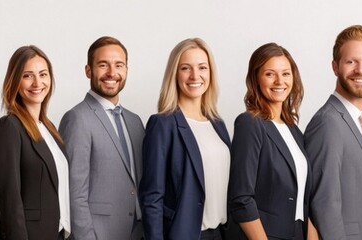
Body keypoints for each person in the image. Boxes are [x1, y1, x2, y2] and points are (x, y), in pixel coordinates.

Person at [140, 38, 232, 240]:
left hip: (222, 233)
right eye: (185, 68)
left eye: (202, 68)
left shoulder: (218, 124)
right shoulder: (162, 124)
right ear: (174, 74)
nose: (195, 76)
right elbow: (152, 197)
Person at [305, 25, 362, 239]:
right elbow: (324, 204)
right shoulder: (327, 123)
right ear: (335, 67)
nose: (361, 70)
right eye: (351, 61)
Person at [58, 36, 145, 240]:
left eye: (119, 65)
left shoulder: (135, 122)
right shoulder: (77, 118)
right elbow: (74, 193)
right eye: (103, 65)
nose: (112, 73)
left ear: (126, 71)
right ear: (88, 70)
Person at [228, 43, 316, 240]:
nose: (279, 81)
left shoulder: (293, 130)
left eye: (285, 73)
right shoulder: (249, 124)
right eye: (270, 74)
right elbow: (241, 198)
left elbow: (303, 199)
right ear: (255, 79)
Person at [0, 45, 68, 240]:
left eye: (43, 74)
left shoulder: (49, 129)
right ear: (15, 81)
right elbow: (9, 199)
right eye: (27, 76)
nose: (37, 82)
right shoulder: (9, 127)